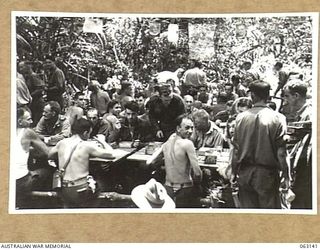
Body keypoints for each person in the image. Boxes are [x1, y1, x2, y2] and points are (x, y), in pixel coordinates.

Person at [231, 80, 291, 209]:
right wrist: (286, 175)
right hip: (267, 175)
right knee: (268, 219)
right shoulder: (278, 118)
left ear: (252, 95)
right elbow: (281, 152)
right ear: (268, 96)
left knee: (249, 216)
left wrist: (233, 173)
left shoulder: (240, 118)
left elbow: (236, 151)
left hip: (245, 173)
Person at [48, 118, 115, 208]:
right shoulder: (86, 145)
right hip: (81, 189)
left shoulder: (61, 143)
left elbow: (50, 155)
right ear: (85, 133)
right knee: (103, 183)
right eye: (89, 134)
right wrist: (102, 141)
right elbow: (112, 154)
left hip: (64, 188)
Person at [146, 115, 203, 208]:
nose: (190, 131)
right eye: (187, 128)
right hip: (184, 189)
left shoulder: (168, 142)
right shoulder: (188, 144)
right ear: (178, 128)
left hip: (167, 188)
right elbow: (197, 173)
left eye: (192, 128)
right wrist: (198, 186)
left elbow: (150, 162)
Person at [283, 80, 312, 209]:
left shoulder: (310, 115)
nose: (285, 101)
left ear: (296, 96)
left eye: (287, 96)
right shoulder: (302, 114)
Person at [15, 107, 49, 209]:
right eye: (29, 119)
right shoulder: (27, 132)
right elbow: (47, 153)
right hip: (20, 182)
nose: (32, 121)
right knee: (48, 171)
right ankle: (44, 204)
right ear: (20, 121)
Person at [18, 61, 45, 125]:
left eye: (22, 67)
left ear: (28, 67)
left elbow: (40, 89)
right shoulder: (26, 77)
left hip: (38, 103)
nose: (20, 69)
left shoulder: (33, 76)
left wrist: (29, 95)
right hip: (33, 103)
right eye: (19, 67)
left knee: (36, 123)